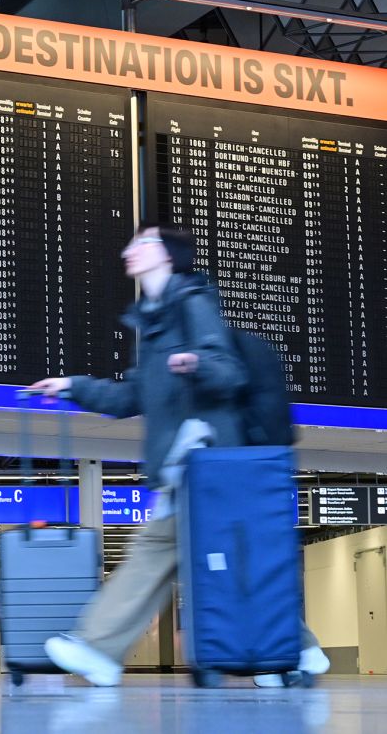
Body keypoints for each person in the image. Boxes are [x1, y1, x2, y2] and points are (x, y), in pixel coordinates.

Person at [31, 223, 329, 688]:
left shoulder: (192, 302)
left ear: (167, 255)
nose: (130, 249)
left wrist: (194, 364)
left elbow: (228, 372)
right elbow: (132, 397)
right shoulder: (154, 324)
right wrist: (72, 387)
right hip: (189, 469)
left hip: (210, 462)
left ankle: (99, 647)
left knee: (171, 554)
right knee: (217, 562)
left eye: (142, 242)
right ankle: (294, 650)